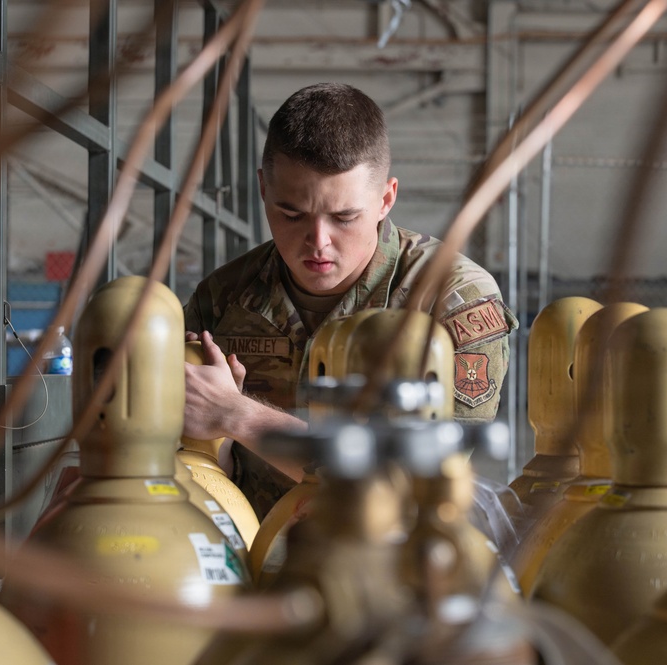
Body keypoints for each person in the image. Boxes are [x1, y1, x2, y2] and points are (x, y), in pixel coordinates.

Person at [183, 82, 517, 519]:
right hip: (250, 559)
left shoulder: (450, 303)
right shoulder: (223, 297)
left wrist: (235, 414)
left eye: (344, 217)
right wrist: (214, 439)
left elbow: (412, 484)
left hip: (388, 567)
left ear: (386, 198)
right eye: (292, 214)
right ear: (263, 189)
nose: (318, 242)